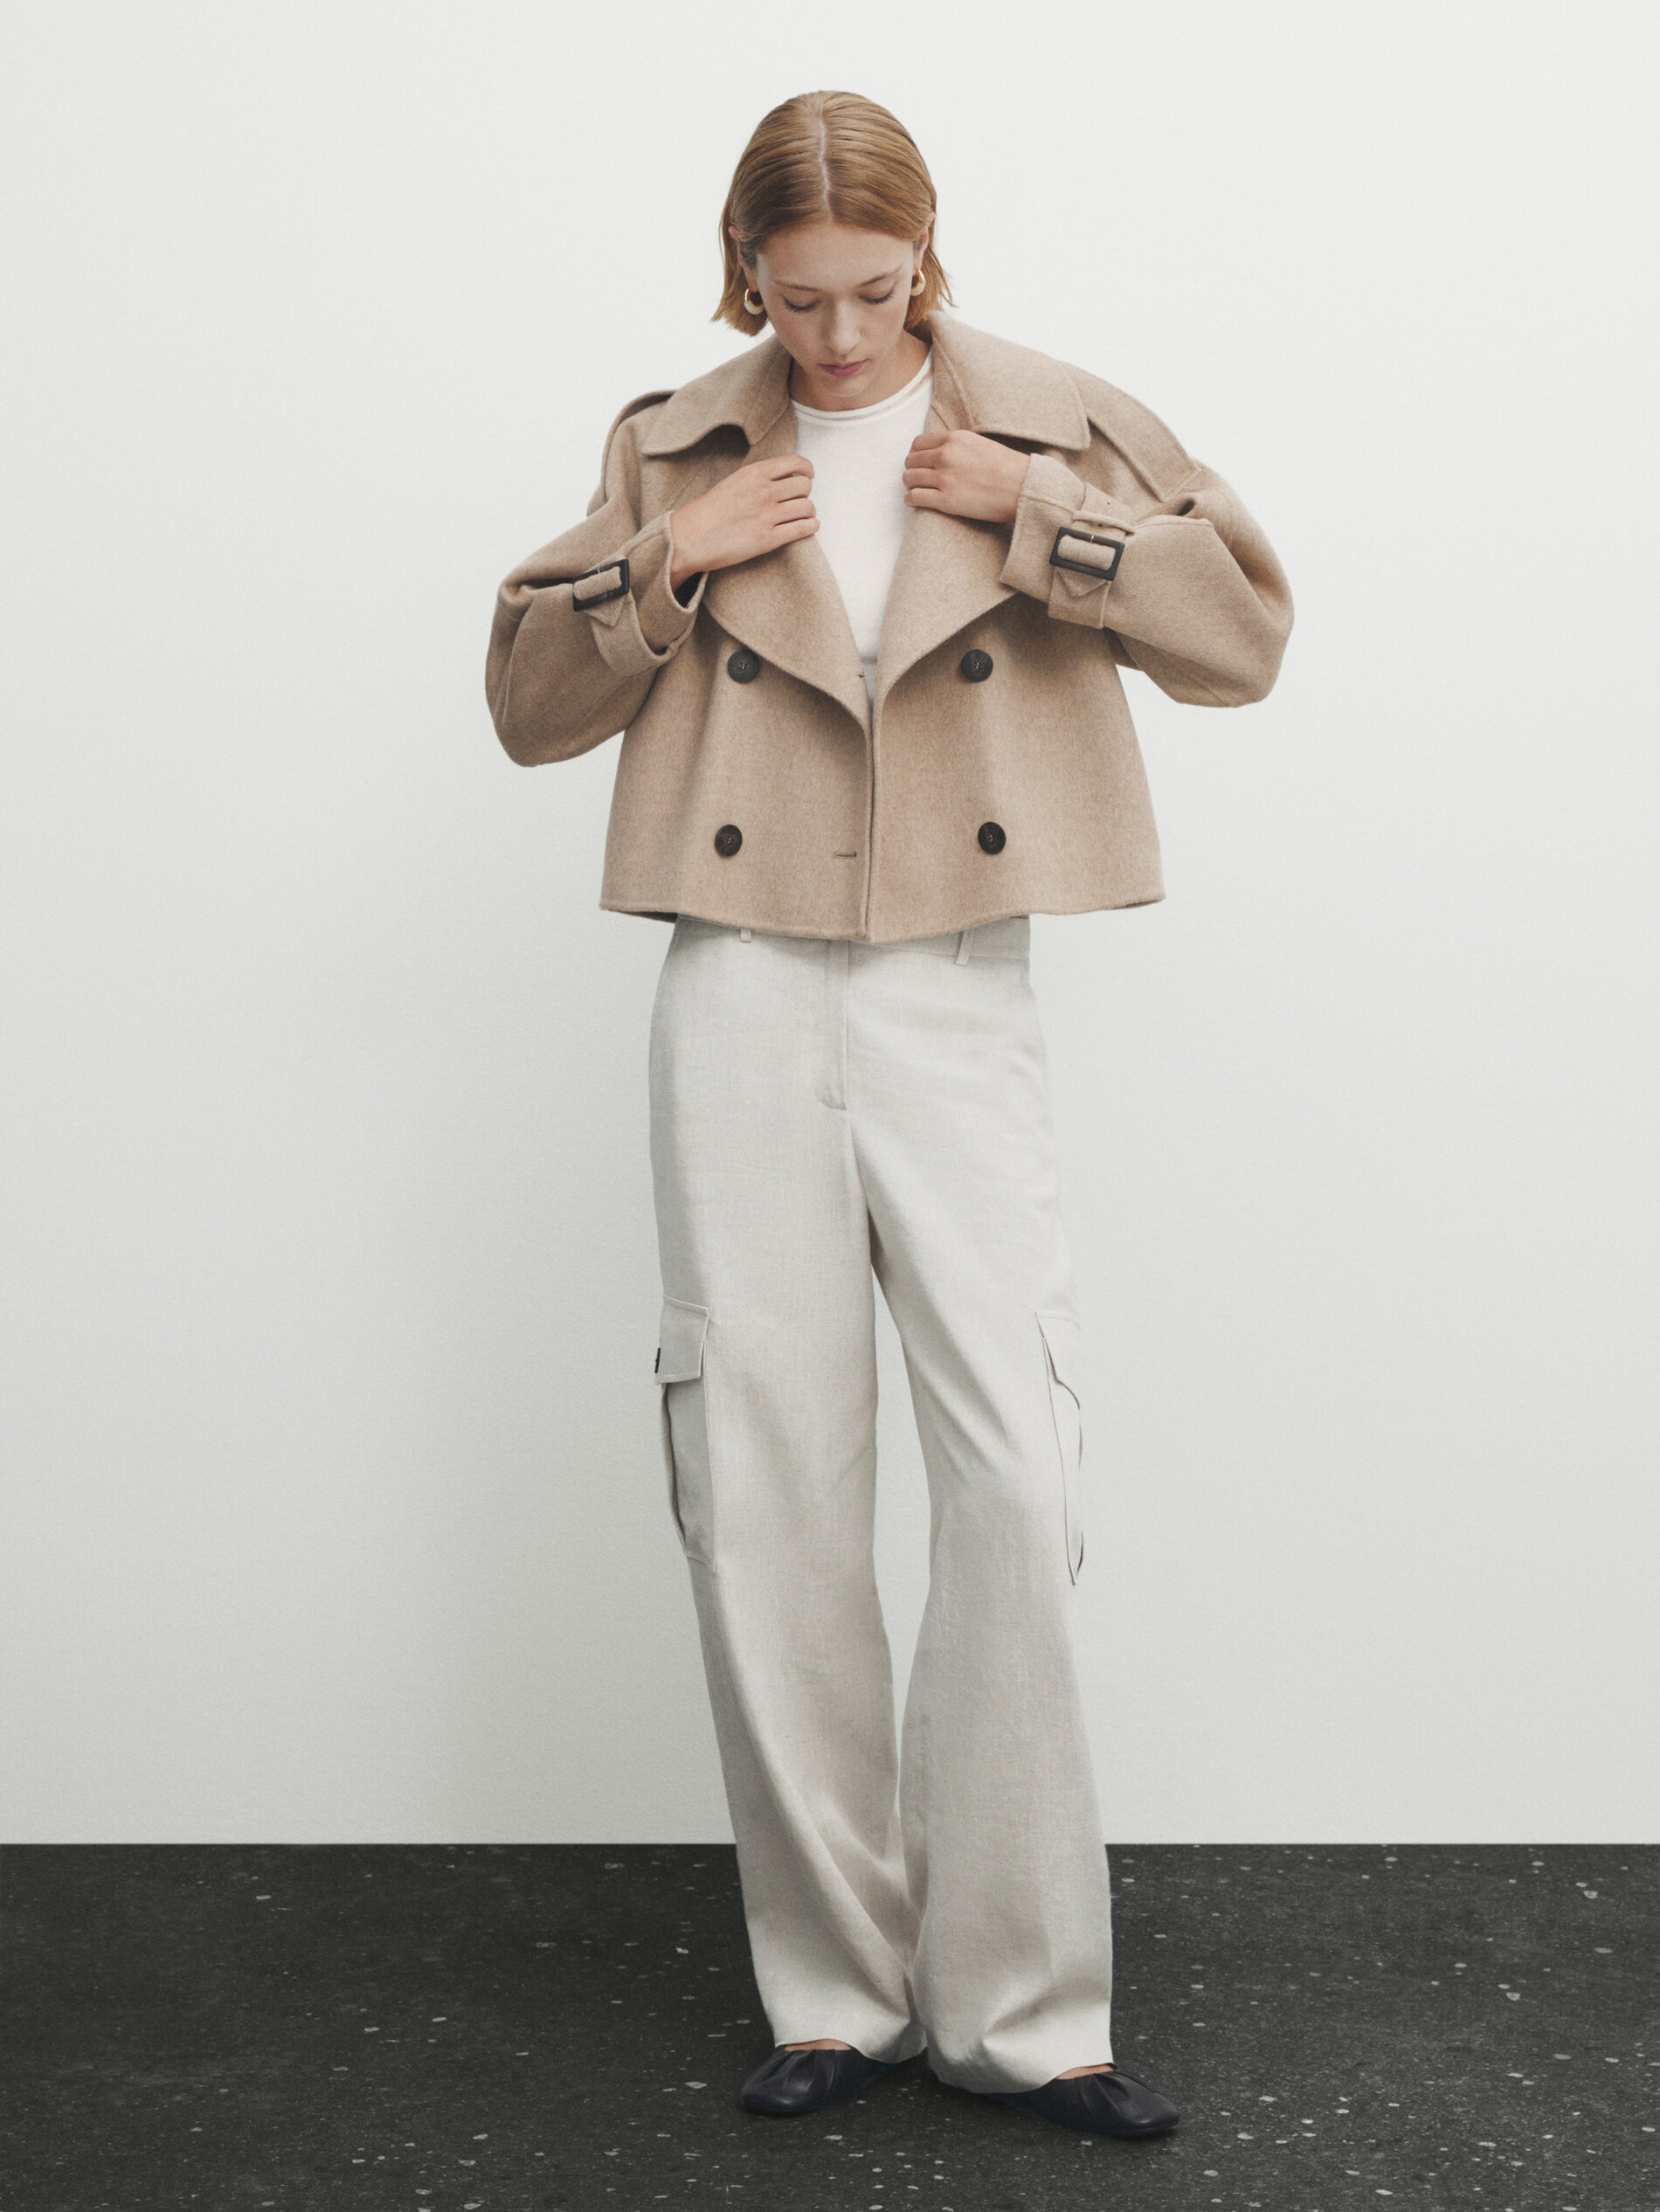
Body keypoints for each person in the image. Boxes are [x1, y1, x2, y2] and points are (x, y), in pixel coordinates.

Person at [485, 88, 1292, 2141]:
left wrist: (1041, 517)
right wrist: (667, 559)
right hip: (738, 977)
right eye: (795, 297)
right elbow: (523, 707)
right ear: (740, 272)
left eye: (869, 290)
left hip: (954, 973)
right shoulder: (677, 442)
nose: (837, 337)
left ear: (925, 256)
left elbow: (1242, 642)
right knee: (762, 1487)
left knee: (1013, 1473)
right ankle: (833, 1995)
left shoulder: (1049, 418)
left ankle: (1026, 2011)